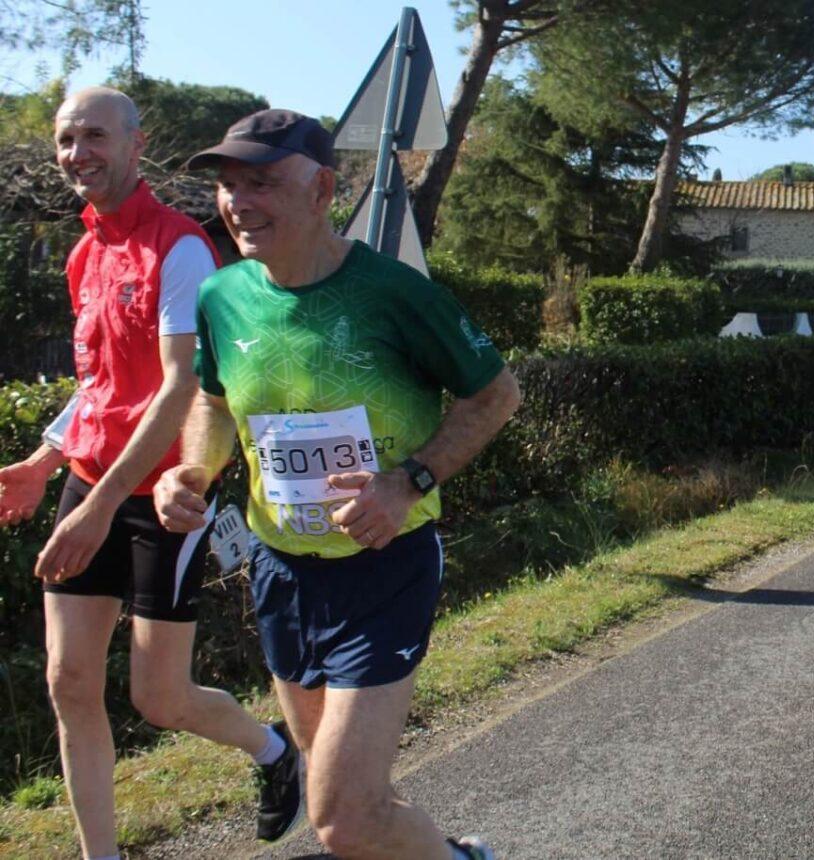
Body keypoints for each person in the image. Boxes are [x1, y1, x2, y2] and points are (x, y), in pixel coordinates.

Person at [154, 109, 520, 860]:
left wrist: (408, 481)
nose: (238, 201)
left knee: (343, 817)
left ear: (322, 190)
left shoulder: (393, 293)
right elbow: (214, 402)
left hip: (384, 570)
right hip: (281, 570)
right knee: (349, 804)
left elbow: (496, 395)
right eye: (228, 185)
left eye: (262, 182)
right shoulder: (222, 298)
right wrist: (192, 469)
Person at [0, 88, 303, 859]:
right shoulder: (82, 252)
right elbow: (101, 384)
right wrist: (44, 461)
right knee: (69, 683)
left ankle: (274, 751)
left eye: (94, 136)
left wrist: (100, 507)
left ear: (138, 147)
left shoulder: (182, 248)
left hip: (164, 496)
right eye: (67, 139)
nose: (77, 154)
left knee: (159, 698)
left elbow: (178, 389)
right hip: (91, 485)